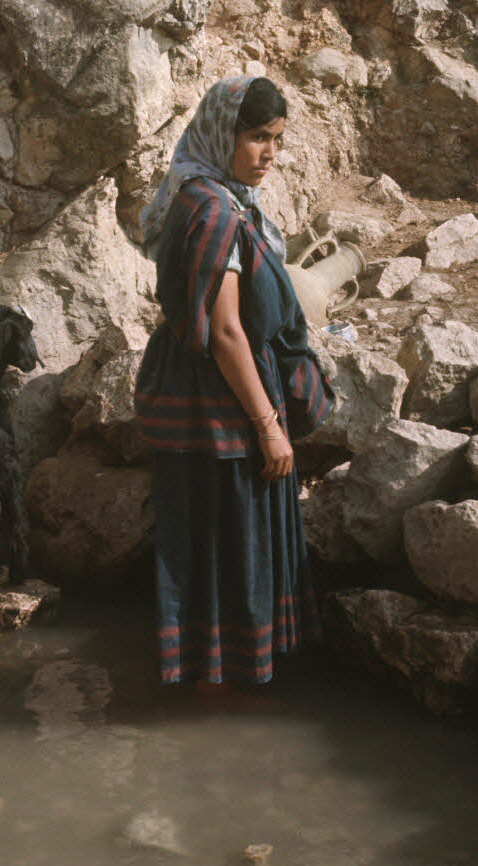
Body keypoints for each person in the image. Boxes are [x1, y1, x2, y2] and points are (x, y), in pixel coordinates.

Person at [134, 75, 334, 688]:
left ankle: (216, 687)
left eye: (277, 139)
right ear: (224, 135)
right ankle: (223, 693)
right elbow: (224, 332)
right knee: (231, 549)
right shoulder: (215, 211)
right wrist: (268, 426)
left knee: (213, 551)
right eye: (255, 137)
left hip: (215, 395)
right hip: (221, 408)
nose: (268, 153)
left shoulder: (213, 197)